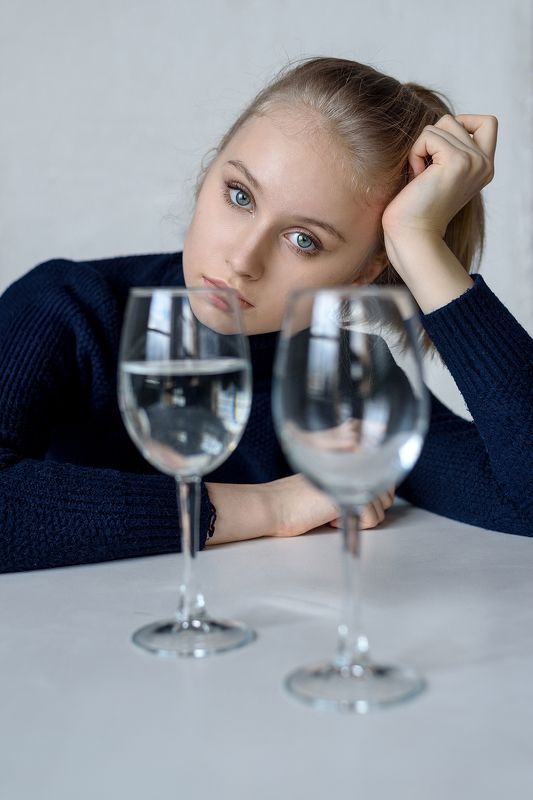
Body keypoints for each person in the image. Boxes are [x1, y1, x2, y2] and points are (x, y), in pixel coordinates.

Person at [1, 57, 531, 573]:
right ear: (210, 169)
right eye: (239, 195)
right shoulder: (67, 307)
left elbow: (522, 497)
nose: (242, 260)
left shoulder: (342, 375)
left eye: (304, 240)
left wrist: (420, 245)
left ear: (367, 270)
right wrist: (270, 508)